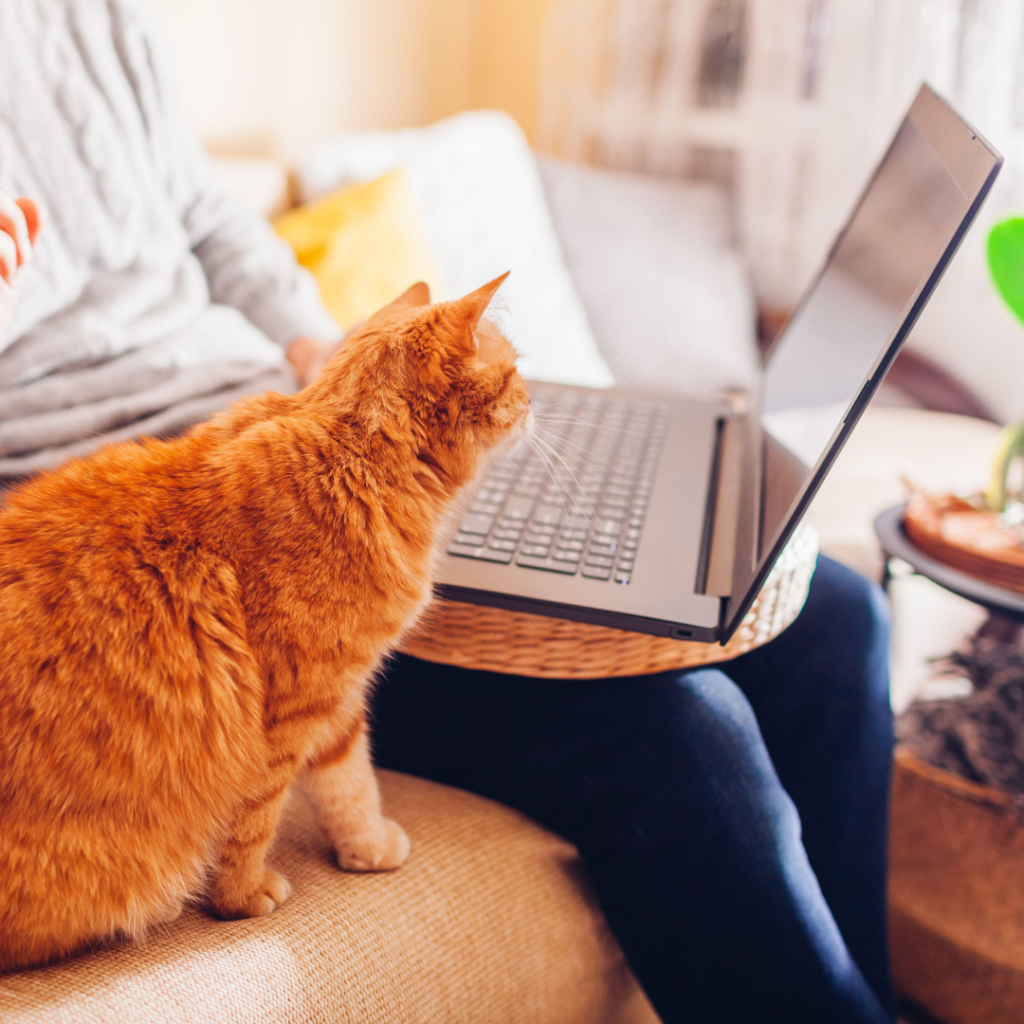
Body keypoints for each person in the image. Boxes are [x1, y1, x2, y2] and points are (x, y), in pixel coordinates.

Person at [0, 3, 894, 1021]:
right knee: (675, 723)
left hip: (287, 426)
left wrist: (325, 362)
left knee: (834, 617)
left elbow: (207, 218)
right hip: (134, 538)